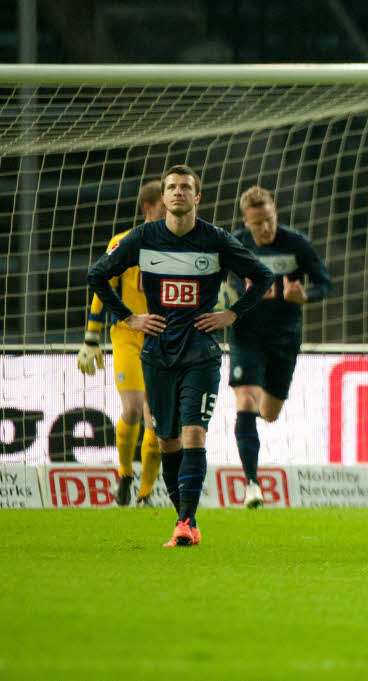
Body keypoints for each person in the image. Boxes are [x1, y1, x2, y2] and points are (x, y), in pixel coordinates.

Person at [87, 164, 273, 547]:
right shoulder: (142, 238)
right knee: (166, 440)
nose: (176, 193)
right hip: (156, 352)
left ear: (196, 197)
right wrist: (129, 318)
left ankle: (186, 521)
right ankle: (183, 517)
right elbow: (97, 275)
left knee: (193, 433)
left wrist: (232, 313)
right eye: (171, 187)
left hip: (200, 350)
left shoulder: (216, 240)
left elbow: (263, 276)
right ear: (165, 196)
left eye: (184, 187)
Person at [223, 186, 332, 508]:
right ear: (246, 221)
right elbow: (214, 277)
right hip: (246, 334)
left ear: (275, 214)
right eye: (258, 224)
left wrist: (306, 296)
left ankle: (253, 467)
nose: (265, 229)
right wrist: (221, 298)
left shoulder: (295, 243)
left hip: (284, 338)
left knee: (269, 413)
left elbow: (325, 282)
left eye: (269, 220)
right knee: (245, 401)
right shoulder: (235, 244)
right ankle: (252, 485)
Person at [77, 180, 166, 507]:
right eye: (163, 205)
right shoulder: (124, 242)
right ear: (149, 208)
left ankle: (145, 494)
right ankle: (125, 474)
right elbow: (103, 287)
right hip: (127, 336)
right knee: (132, 409)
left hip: (162, 338)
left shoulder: (174, 246)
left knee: (156, 424)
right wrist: (91, 337)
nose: (168, 210)